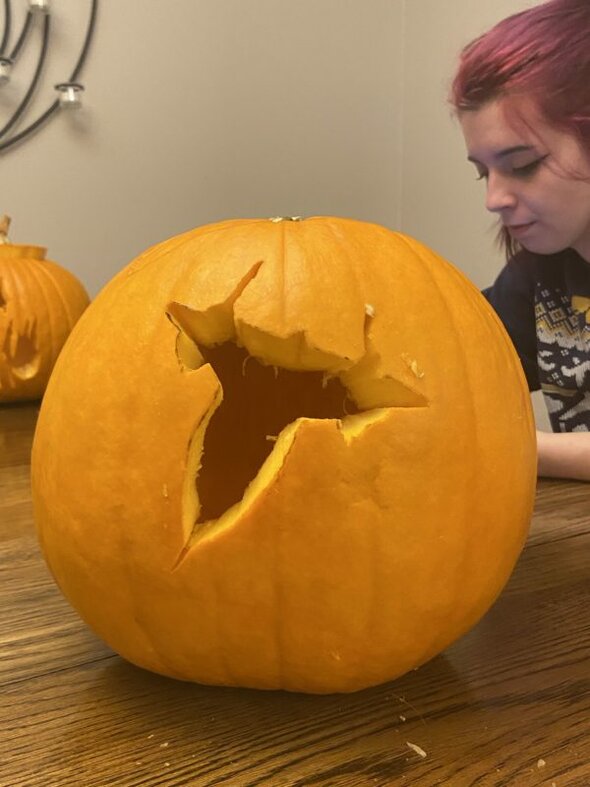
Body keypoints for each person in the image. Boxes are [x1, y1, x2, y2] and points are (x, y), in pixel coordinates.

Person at [450, 0, 590, 481]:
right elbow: (447, 362)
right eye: (483, 172)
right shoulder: (536, 278)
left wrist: (514, 448)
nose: (494, 198)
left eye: (522, 164)